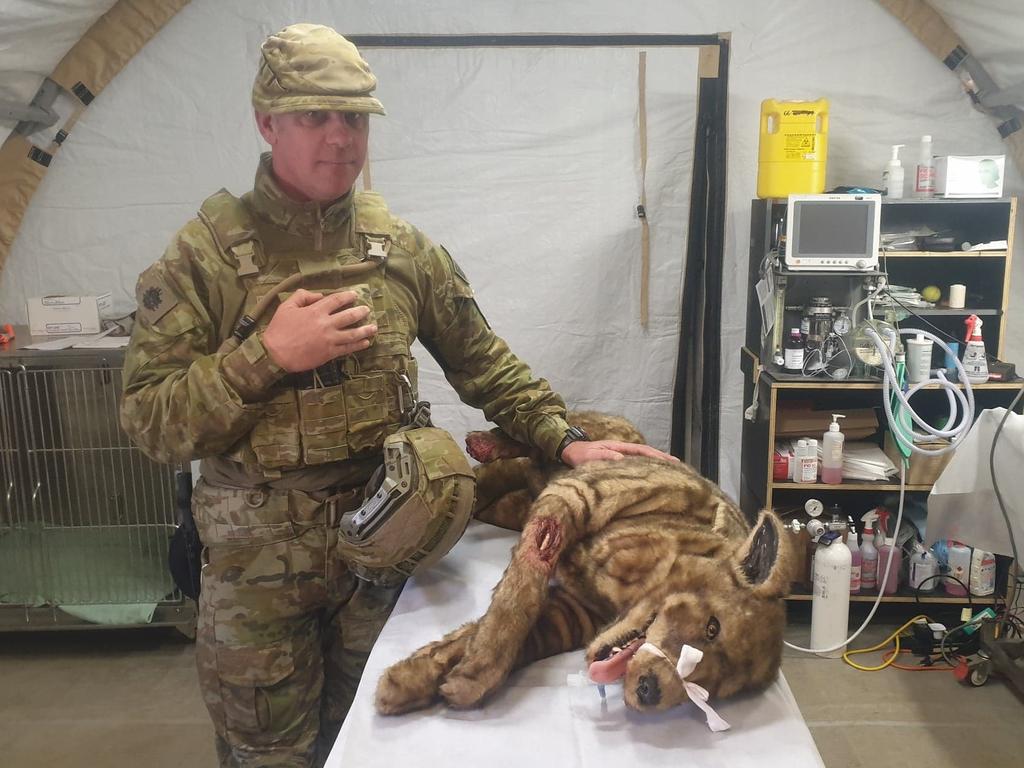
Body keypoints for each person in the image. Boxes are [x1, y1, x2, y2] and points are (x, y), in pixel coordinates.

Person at [120, 23, 674, 768]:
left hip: (379, 556)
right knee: (268, 756)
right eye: (316, 115)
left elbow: (484, 363)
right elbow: (149, 423)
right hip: (257, 576)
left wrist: (560, 436)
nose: (340, 137)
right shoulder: (206, 258)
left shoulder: (399, 250)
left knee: (380, 742)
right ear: (266, 121)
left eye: (354, 117)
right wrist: (264, 358)